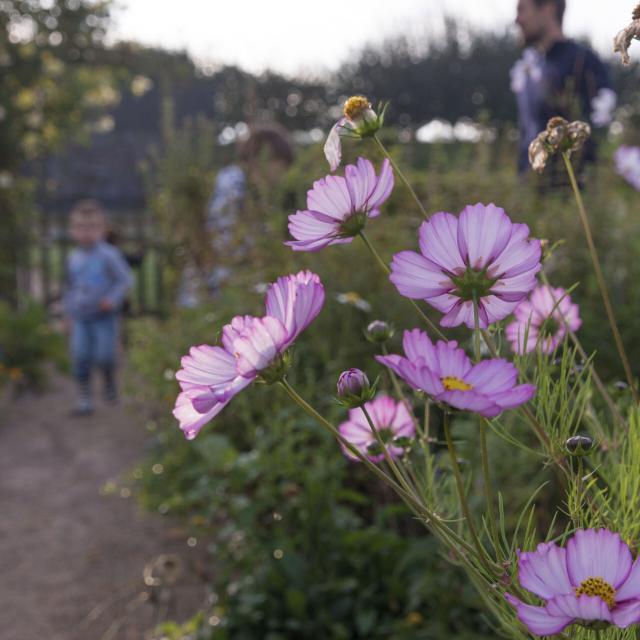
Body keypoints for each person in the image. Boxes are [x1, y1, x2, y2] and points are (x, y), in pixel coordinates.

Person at [512, 0, 617, 173]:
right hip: (530, 186)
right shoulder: (529, 67)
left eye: (522, 10)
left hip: (571, 188)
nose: (517, 20)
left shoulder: (583, 62)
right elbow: (526, 131)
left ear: (548, 8)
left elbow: (600, 127)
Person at [63, 200, 132, 415]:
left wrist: (111, 299)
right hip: (80, 317)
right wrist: (67, 315)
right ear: (73, 231)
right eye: (82, 228)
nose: (87, 233)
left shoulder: (109, 255)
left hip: (104, 317)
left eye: (92, 227)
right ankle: (84, 398)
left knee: (105, 356)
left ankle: (109, 382)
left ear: (102, 230)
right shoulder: (73, 258)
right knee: (80, 356)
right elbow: (69, 287)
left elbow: (125, 280)